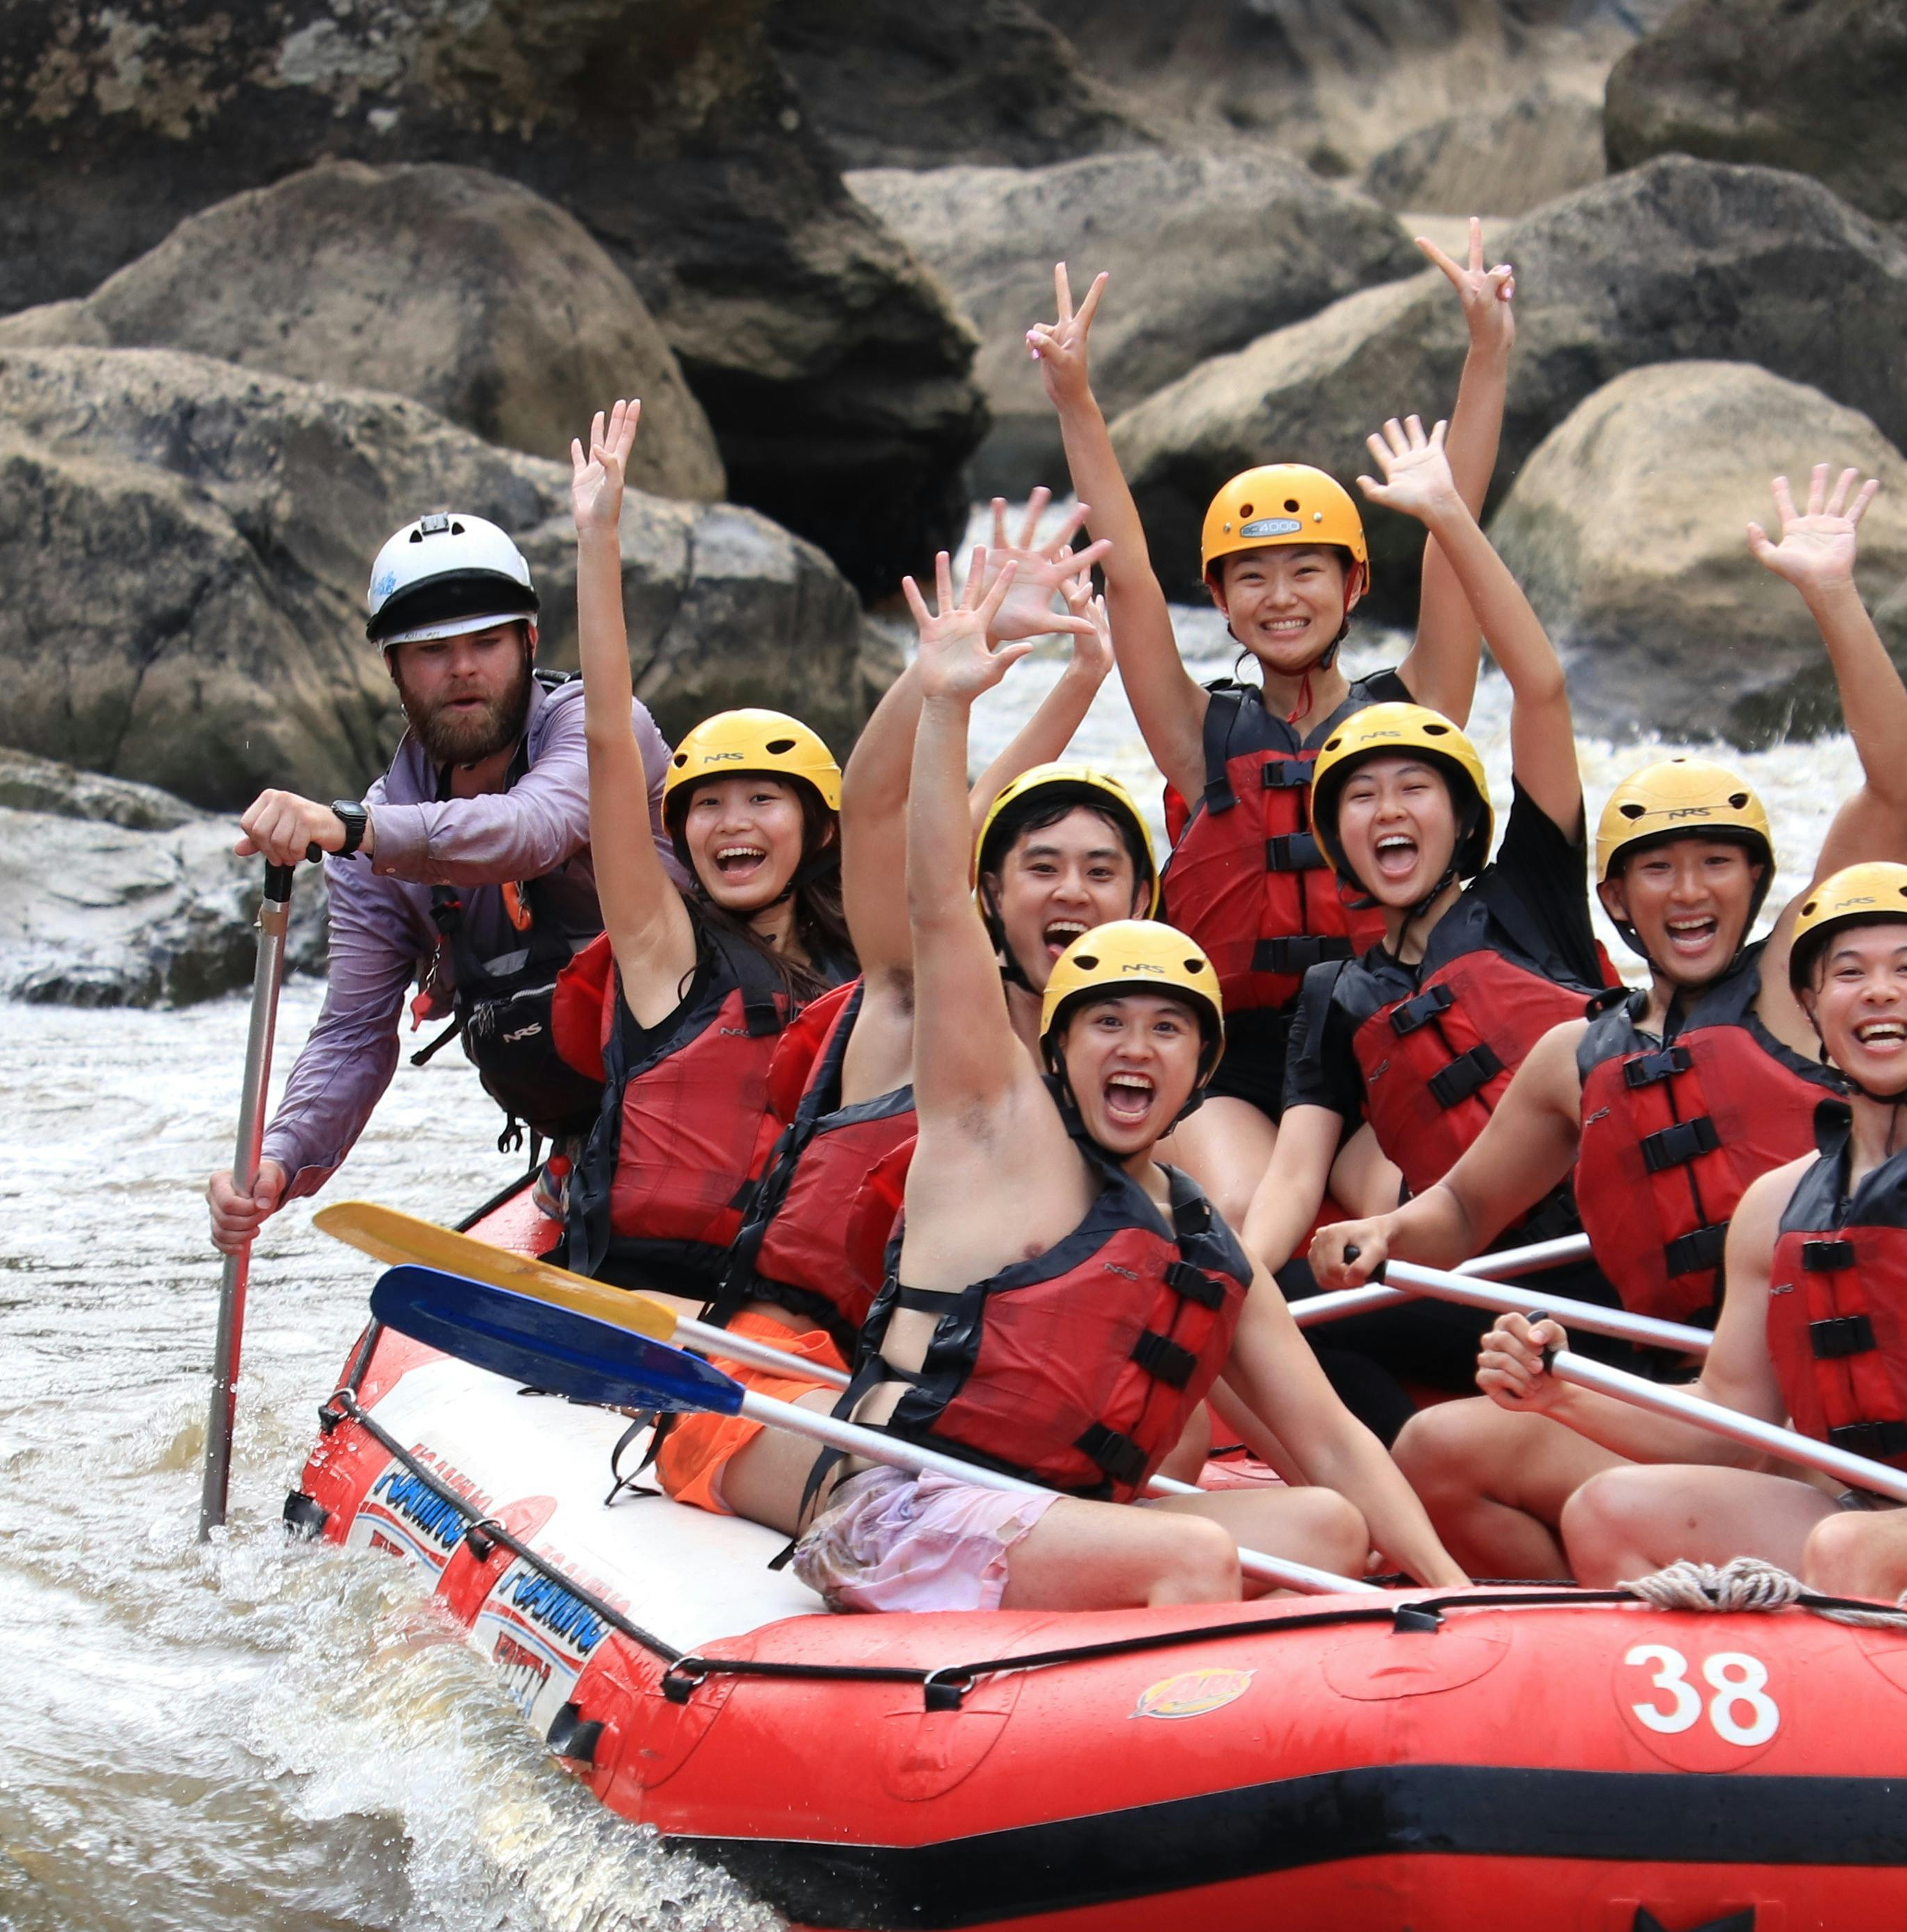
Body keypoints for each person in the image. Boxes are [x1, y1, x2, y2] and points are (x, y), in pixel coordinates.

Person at [774, 560, 1468, 1614]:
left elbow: (1329, 1436)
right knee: (1190, 1563)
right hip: (904, 1508)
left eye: (1165, 1032)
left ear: (1201, 1070)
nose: (1133, 1051)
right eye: (1106, 1024)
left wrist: (1457, 1594)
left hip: (1065, 1514)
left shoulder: (1199, 1236)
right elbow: (935, 906)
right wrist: (947, 700)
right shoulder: (987, 1118)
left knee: (1328, 1524)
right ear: (1058, 1045)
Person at [1307, 467, 1907, 1570]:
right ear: (1614, 902)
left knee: (1582, 1486)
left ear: (1755, 886)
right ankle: (1587, 1651)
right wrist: (1385, 1236)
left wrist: (1834, 598)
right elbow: (1458, 1212)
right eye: (1657, 872)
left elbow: (1895, 784)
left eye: (1713, 869)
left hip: (1803, 1403)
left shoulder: (1800, 982)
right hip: (1663, 1393)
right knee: (1441, 1452)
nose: (1687, 894)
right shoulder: (1576, 1054)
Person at [1464, 866, 1907, 1646]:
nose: (1879, 991)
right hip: (1865, 1515)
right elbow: (1731, 1425)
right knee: (1610, 1506)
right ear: (1812, 1011)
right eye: (1848, 974)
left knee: (1850, 1551)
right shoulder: (1777, 1203)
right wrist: (1561, 1394)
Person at [1028, 229, 1522, 1213]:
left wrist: (1487, 355)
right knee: (1254, 1217)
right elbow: (1124, 571)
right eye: (1252, 576)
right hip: (1239, 1063)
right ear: (1220, 598)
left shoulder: (1415, 713)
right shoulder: (1198, 736)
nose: (1281, 596)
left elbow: (1452, 532)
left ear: (1354, 585)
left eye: (1307, 571)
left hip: (1385, 1033)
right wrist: (1076, 401)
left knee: (1403, 1202)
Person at [658, 510, 1130, 1528]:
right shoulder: (915, 998)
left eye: (1103, 877)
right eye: (1041, 875)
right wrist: (952, 668)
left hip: (943, 1397)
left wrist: (1085, 680)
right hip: (773, 1382)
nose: (1071, 898)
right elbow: (888, 816)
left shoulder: (1113, 1070)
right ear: (992, 898)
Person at [1232, 415, 1607, 1439]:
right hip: (1491, 1290)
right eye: (1360, 797)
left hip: (1621, 1265)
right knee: (1289, 1334)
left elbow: (1543, 687)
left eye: (1414, 789)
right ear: (1333, 834)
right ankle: (1404, 1488)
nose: (1388, 811)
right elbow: (1294, 1180)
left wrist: (1449, 514)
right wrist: (1239, 1276)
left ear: (1463, 815)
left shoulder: (1530, 892)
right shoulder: (1335, 998)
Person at [207, 510, 673, 1253]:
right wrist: (279, 1157)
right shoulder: (378, 830)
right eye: (432, 650)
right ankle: (582, 1167)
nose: (462, 668)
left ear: (528, 642)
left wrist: (355, 831)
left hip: (713, 1094)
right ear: (394, 667)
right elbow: (355, 1033)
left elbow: (531, 831)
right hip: (589, 1134)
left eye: (487, 642)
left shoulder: (604, 732)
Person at [553, 399, 855, 1304]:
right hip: (652, 1300)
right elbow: (608, 738)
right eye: (708, 807)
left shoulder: (864, 958)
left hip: (789, 1304)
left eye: (763, 801)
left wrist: (1073, 678)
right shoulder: (662, 946)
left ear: (819, 830)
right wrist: (597, 540)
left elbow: (960, 819)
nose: (733, 824)